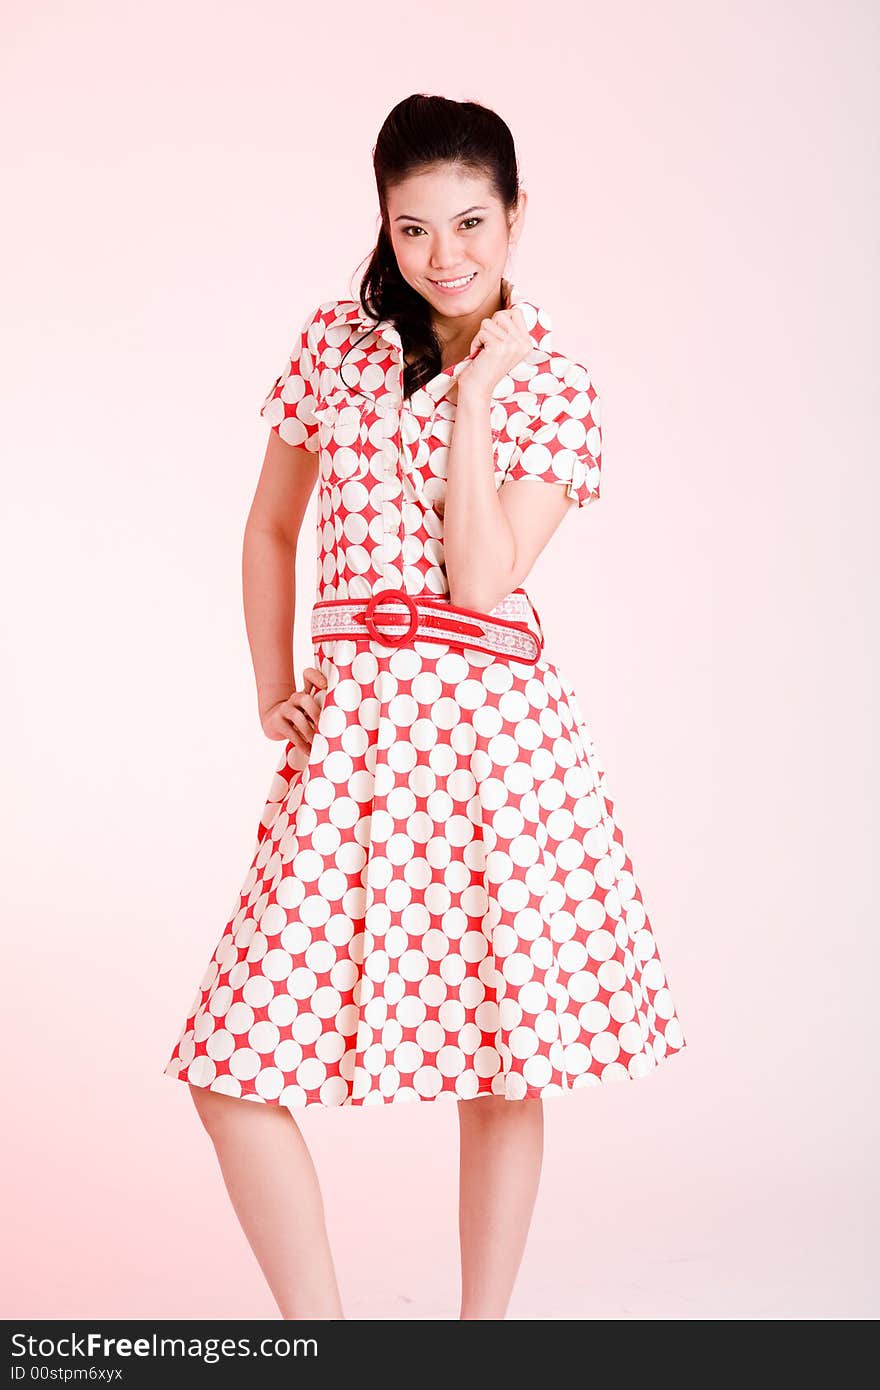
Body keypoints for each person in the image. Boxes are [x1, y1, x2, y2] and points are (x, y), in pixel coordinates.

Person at [163, 93, 687, 1321]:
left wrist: (485, 392)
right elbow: (270, 525)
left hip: (493, 741)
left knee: (504, 1060)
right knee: (230, 1062)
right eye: (412, 228)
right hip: (353, 733)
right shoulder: (332, 347)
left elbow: (483, 577)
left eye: (469, 223)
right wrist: (271, 685)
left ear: (515, 218)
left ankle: (478, 1342)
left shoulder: (554, 384)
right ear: (384, 228)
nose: (445, 256)